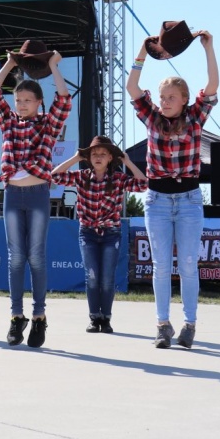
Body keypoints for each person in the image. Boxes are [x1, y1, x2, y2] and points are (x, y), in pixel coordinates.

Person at [127, 26, 219, 349]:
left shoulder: (195, 118)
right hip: (157, 200)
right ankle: (162, 324)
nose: (164, 101)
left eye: (170, 97)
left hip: (190, 199)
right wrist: (142, 51)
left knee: (189, 263)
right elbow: (132, 86)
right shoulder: (151, 118)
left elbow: (213, 86)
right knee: (161, 264)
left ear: (183, 99)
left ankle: (189, 324)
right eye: (162, 97)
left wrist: (208, 48)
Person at [0, 41, 71, 348]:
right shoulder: (9, 124)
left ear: (38, 102)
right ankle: (16, 315)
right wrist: (10, 64)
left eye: (27, 100)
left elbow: (64, 99)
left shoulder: (48, 126)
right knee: (15, 258)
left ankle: (39, 316)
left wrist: (53, 66)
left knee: (35, 255)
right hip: (12, 195)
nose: (21, 104)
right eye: (18, 99)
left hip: (36, 194)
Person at [51, 136, 147, 333]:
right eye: (94, 154)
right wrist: (75, 159)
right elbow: (54, 176)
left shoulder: (118, 179)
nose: (98, 157)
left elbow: (143, 185)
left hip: (111, 233)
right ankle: (94, 317)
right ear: (88, 158)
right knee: (92, 276)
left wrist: (127, 161)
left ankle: (107, 318)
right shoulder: (81, 176)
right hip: (87, 232)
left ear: (111, 158)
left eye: (103, 154)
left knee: (107, 278)